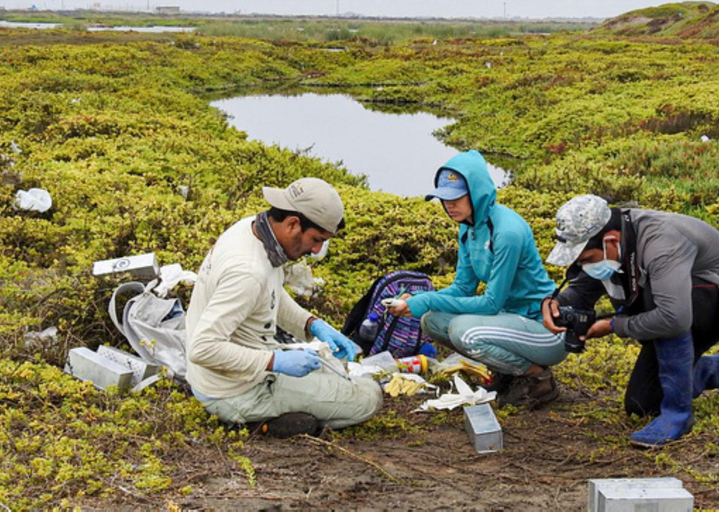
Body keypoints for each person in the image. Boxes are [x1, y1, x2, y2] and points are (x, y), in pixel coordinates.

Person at [542, 194, 719, 447]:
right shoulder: (612, 240)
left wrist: (615, 326)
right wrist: (557, 304)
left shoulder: (661, 244)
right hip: (681, 303)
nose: (585, 266)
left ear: (610, 240)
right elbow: (583, 289)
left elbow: (674, 318)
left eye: (586, 259)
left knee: (661, 303)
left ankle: (678, 415)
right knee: (642, 404)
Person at [186, 177, 382, 437]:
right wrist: (275, 360)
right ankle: (259, 420)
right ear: (292, 223)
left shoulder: (251, 230)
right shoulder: (247, 272)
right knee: (368, 397)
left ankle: (289, 411)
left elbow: (269, 294)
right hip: (234, 390)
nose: (316, 250)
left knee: (334, 367)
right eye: (316, 239)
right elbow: (203, 348)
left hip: (232, 372)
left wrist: (312, 325)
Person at [389, 150, 567, 408]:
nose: (449, 205)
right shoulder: (468, 227)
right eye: (444, 199)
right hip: (510, 322)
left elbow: (491, 304)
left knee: (465, 332)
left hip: (545, 329)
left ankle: (538, 378)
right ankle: (507, 372)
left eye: (456, 198)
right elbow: (463, 287)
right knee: (432, 321)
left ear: (477, 192)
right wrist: (418, 300)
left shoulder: (507, 232)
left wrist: (426, 298)